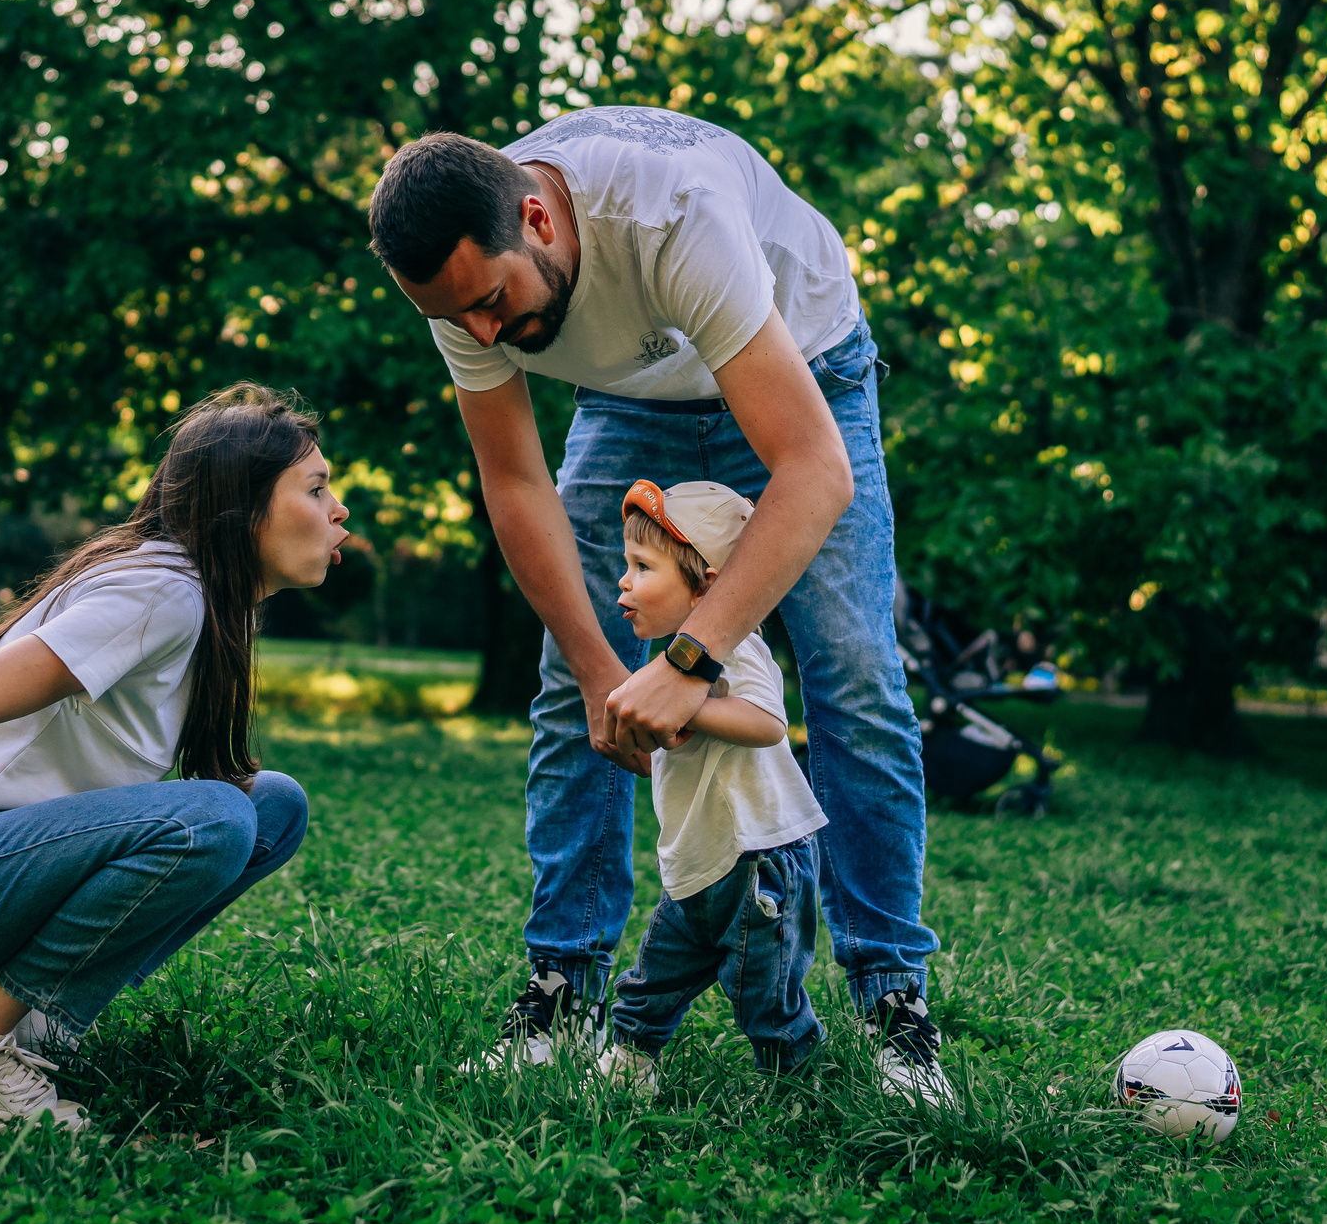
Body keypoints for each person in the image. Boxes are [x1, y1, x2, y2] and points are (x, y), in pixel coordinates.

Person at [367, 107, 949, 1100]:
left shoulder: (670, 215)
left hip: (805, 371)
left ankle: (894, 1007)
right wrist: (605, 674)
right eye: (455, 317)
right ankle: (562, 991)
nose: (481, 334)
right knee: (569, 693)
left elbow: (812, 472)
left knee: (852, 675)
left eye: (493, 304)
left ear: (538, 221)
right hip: (633, 400)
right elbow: (514, 488)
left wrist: (687, 663)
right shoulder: (465, 281)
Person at [0, 384, 351, 1130]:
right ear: (244, 507)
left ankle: (24, 1024)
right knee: (215, 817)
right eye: (316, 486)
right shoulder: (162, 595)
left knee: (271, 806)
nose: (338, 509)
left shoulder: (206, 600)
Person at [594, 480, 828, 1092]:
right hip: (700, 865)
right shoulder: (666, 660)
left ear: (709, 582)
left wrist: (686, 711)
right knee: (655, 976)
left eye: (643, 567)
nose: (624, 581)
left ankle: (796, 1085)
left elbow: (768, 725)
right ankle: (630, 1062)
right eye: (627, 564)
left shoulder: (737, 651)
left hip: (758, 862)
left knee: (763, 992)